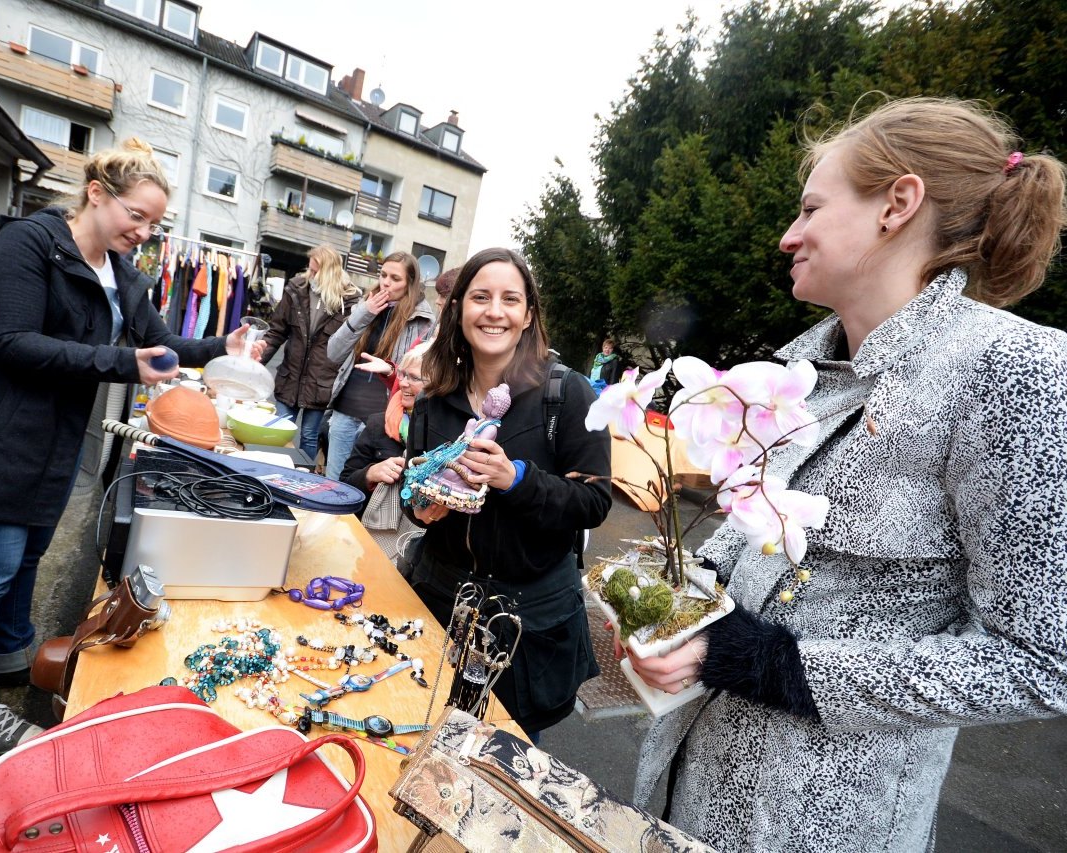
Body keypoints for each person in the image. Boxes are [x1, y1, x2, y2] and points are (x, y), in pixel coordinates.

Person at [627, 97, 1067, 851]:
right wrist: (672, 597)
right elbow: (762, 548)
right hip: (692, 784)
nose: (787, 235)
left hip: (820, 824)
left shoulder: (1015, 372)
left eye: (810, 208)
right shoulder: (808, 370)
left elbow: (1041, 660)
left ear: (898, 203)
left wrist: (766, 661)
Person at [0, 138, 266, 755]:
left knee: (24, 558)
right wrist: (123, 360)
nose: (144, 232)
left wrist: (218, 349)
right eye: (136, 216)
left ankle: (9, 655)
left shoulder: (123, 276)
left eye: (155, 223)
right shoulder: (26, 246)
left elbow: (158, 343)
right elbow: (12, 341)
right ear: (97, 194)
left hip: (49, 438)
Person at [404, 247, 612, 737]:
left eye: (509, 300)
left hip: (524, 626)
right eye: (480, 297)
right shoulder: (436, 398)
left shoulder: (567, 394)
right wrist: (423, 507)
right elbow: (414, 490)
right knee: (417, 735)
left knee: (501, 763)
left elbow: (594, 502)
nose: (494, 311)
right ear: (458, 309)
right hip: (439, 602)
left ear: (527, 316)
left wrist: (516, 479)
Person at [324, 251, 434, 480]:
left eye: (395, 278)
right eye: (383, 274)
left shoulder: (423, 320)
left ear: (410, 283)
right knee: (334, 482)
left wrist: (391, 369)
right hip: (345, 410)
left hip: (383, 419)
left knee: (367, 487)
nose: (386, 282)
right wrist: (364, 314)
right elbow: (333, 353)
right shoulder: (365, 307)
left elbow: (415, 374)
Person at [258, 244, 360, 460]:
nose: (310, 275)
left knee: (309, 435)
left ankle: (304, 476)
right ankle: (271, 468)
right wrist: (256, 362)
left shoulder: (348, 302)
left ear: (329, 272)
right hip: (290, 378)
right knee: (278, 430)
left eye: (315, 271)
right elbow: (277, 331)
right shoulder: (296, 290)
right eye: (310, 269)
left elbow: (351, 345)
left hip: (321, 381)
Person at [340, 342, 431, 566]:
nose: (403, 383)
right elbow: (343, 487)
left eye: (414, 378)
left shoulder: (447, 438)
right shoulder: (378, 423)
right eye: (402, 374)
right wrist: (370, 474)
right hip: (365, 547)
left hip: (421, 556)